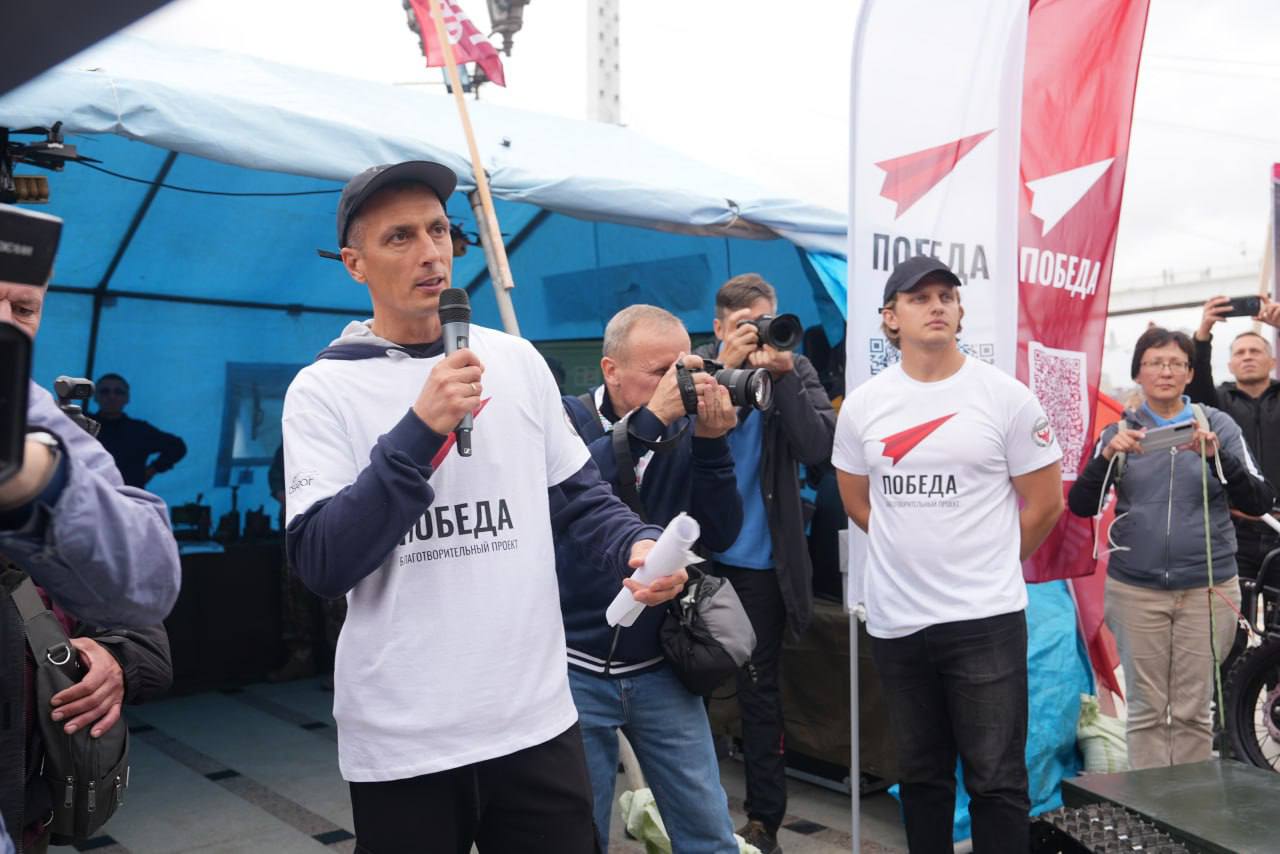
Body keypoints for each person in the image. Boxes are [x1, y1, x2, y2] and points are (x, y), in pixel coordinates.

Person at [281, 161, 687, 853]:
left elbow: (579, 497)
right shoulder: (323, 390)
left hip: (534, 719)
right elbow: (321, 562)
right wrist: (418, 432)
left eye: (438, 230)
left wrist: (635, 543)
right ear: (355, 264)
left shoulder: (516, 361)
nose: (430, 252)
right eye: (400, 237)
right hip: (405, 737)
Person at [831, 256, 1064, 852]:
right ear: (890, 317)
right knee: (921, 779)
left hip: (985, 619)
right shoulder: (863, 405)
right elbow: (857, 501)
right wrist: (909, 550)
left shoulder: (1005, 397)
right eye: (919, 298)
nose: (936, 306)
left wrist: (988, 563)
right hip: (898, 621)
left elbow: (1045, 504)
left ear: (960, 312)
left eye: (946, 296)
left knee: (997, 782)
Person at [0, 231, 180, 854]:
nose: (5, 325)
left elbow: (149, 594)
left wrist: (112, 657)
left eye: (24, 309)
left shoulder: (46, 425)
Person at [559, 305, 741, 853]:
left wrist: (712, 445)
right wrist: (650, 422)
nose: (675, 385)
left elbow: (721, 533)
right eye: (659, 372)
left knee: (708, 833)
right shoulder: (567, 420)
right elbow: (571, 493)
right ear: (611, 370)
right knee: (579, 834)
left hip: (661, 664)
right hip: (572, 666)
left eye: (683, 370)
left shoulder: (685, 429)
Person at [1068, 326, 1274, 770]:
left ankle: (1190, 804)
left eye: (1176, 363)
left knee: (1192, 711)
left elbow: (1258, 500)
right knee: (1146, 711)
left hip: (1207, 590)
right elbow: (1082, 504)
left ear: (1190, 373)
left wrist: (1218, 458)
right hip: (1135, 591)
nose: (1166, 372)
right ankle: (1149, 804)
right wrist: (1107, 457)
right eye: (1155, 363)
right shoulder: (1118, 432)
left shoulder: (1217, 425)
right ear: (1138, 373)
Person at [692, 273, 834, 854]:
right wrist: (722, 369)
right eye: (745, 326)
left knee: (759, 693)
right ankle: (694, 812)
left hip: (761, 564)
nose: (758, 335)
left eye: (766, 322)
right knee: (690, 689)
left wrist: (783, 376)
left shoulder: (793, 370)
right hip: (700, 559)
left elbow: (820, 449)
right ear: (720, 327)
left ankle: (764, 823)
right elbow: (668, 441)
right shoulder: (694, 366)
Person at [1186, 296, 1280, 580]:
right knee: (1236, 606)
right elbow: (1195, 385)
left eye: (1255, 351)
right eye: (1240, 353)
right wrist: (1203, 333)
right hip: (1235, 528)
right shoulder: (1216, 404)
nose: (1247, 356)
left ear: (1273, 361)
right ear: (1229, 365)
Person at [92, 373, 187, 489]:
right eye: (105, 392)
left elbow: (177, 446)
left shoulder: (139, 431)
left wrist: (153, 469)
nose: (111, 396)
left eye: (118, 392)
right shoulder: (81, 427)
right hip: (88, 495)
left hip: (127, 496)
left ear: (127, 398)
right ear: (95, 397)